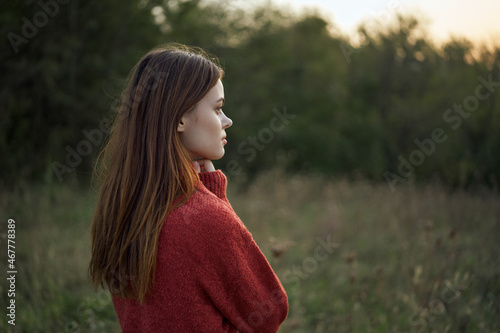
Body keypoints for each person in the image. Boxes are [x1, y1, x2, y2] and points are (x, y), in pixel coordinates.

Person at [88, 44, 288, 332]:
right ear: (180, 118)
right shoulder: (205, 219)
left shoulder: (126, 208)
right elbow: (270, 312)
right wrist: (217, 204)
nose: (227, 121)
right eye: (218, 108)